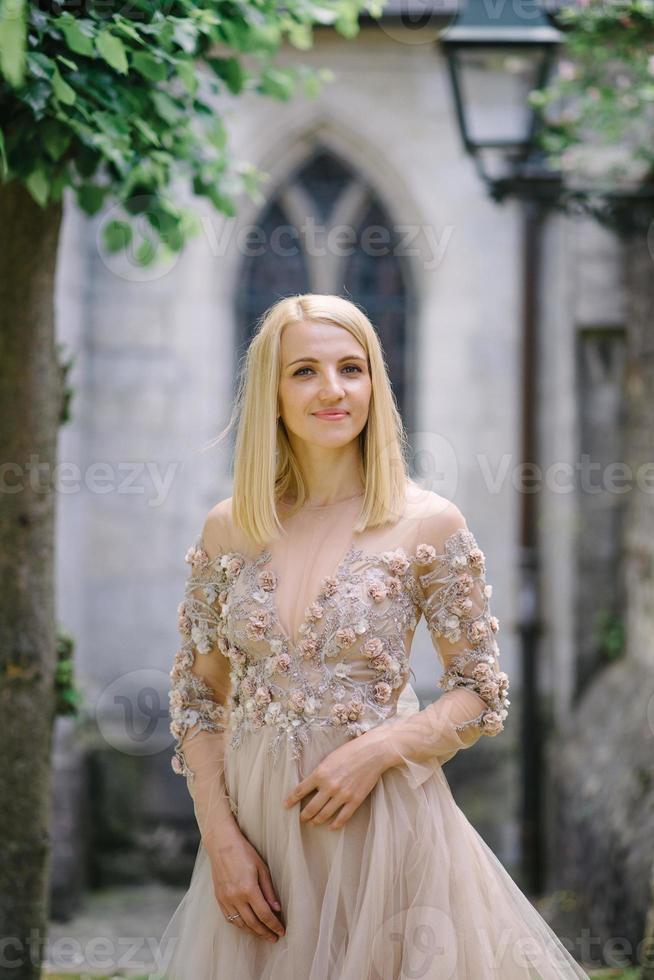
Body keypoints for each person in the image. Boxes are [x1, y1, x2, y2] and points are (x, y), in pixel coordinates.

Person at [155, 294, 590, 979]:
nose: (332, 390)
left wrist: (380, 748)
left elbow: (480, 692)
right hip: (257, 842)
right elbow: (201, 699)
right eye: (304, 371)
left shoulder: (429, 524)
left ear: (374, 385)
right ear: (271, 392)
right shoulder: (228, 529)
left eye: (351, 369)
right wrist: (222, 841)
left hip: (387, 837)